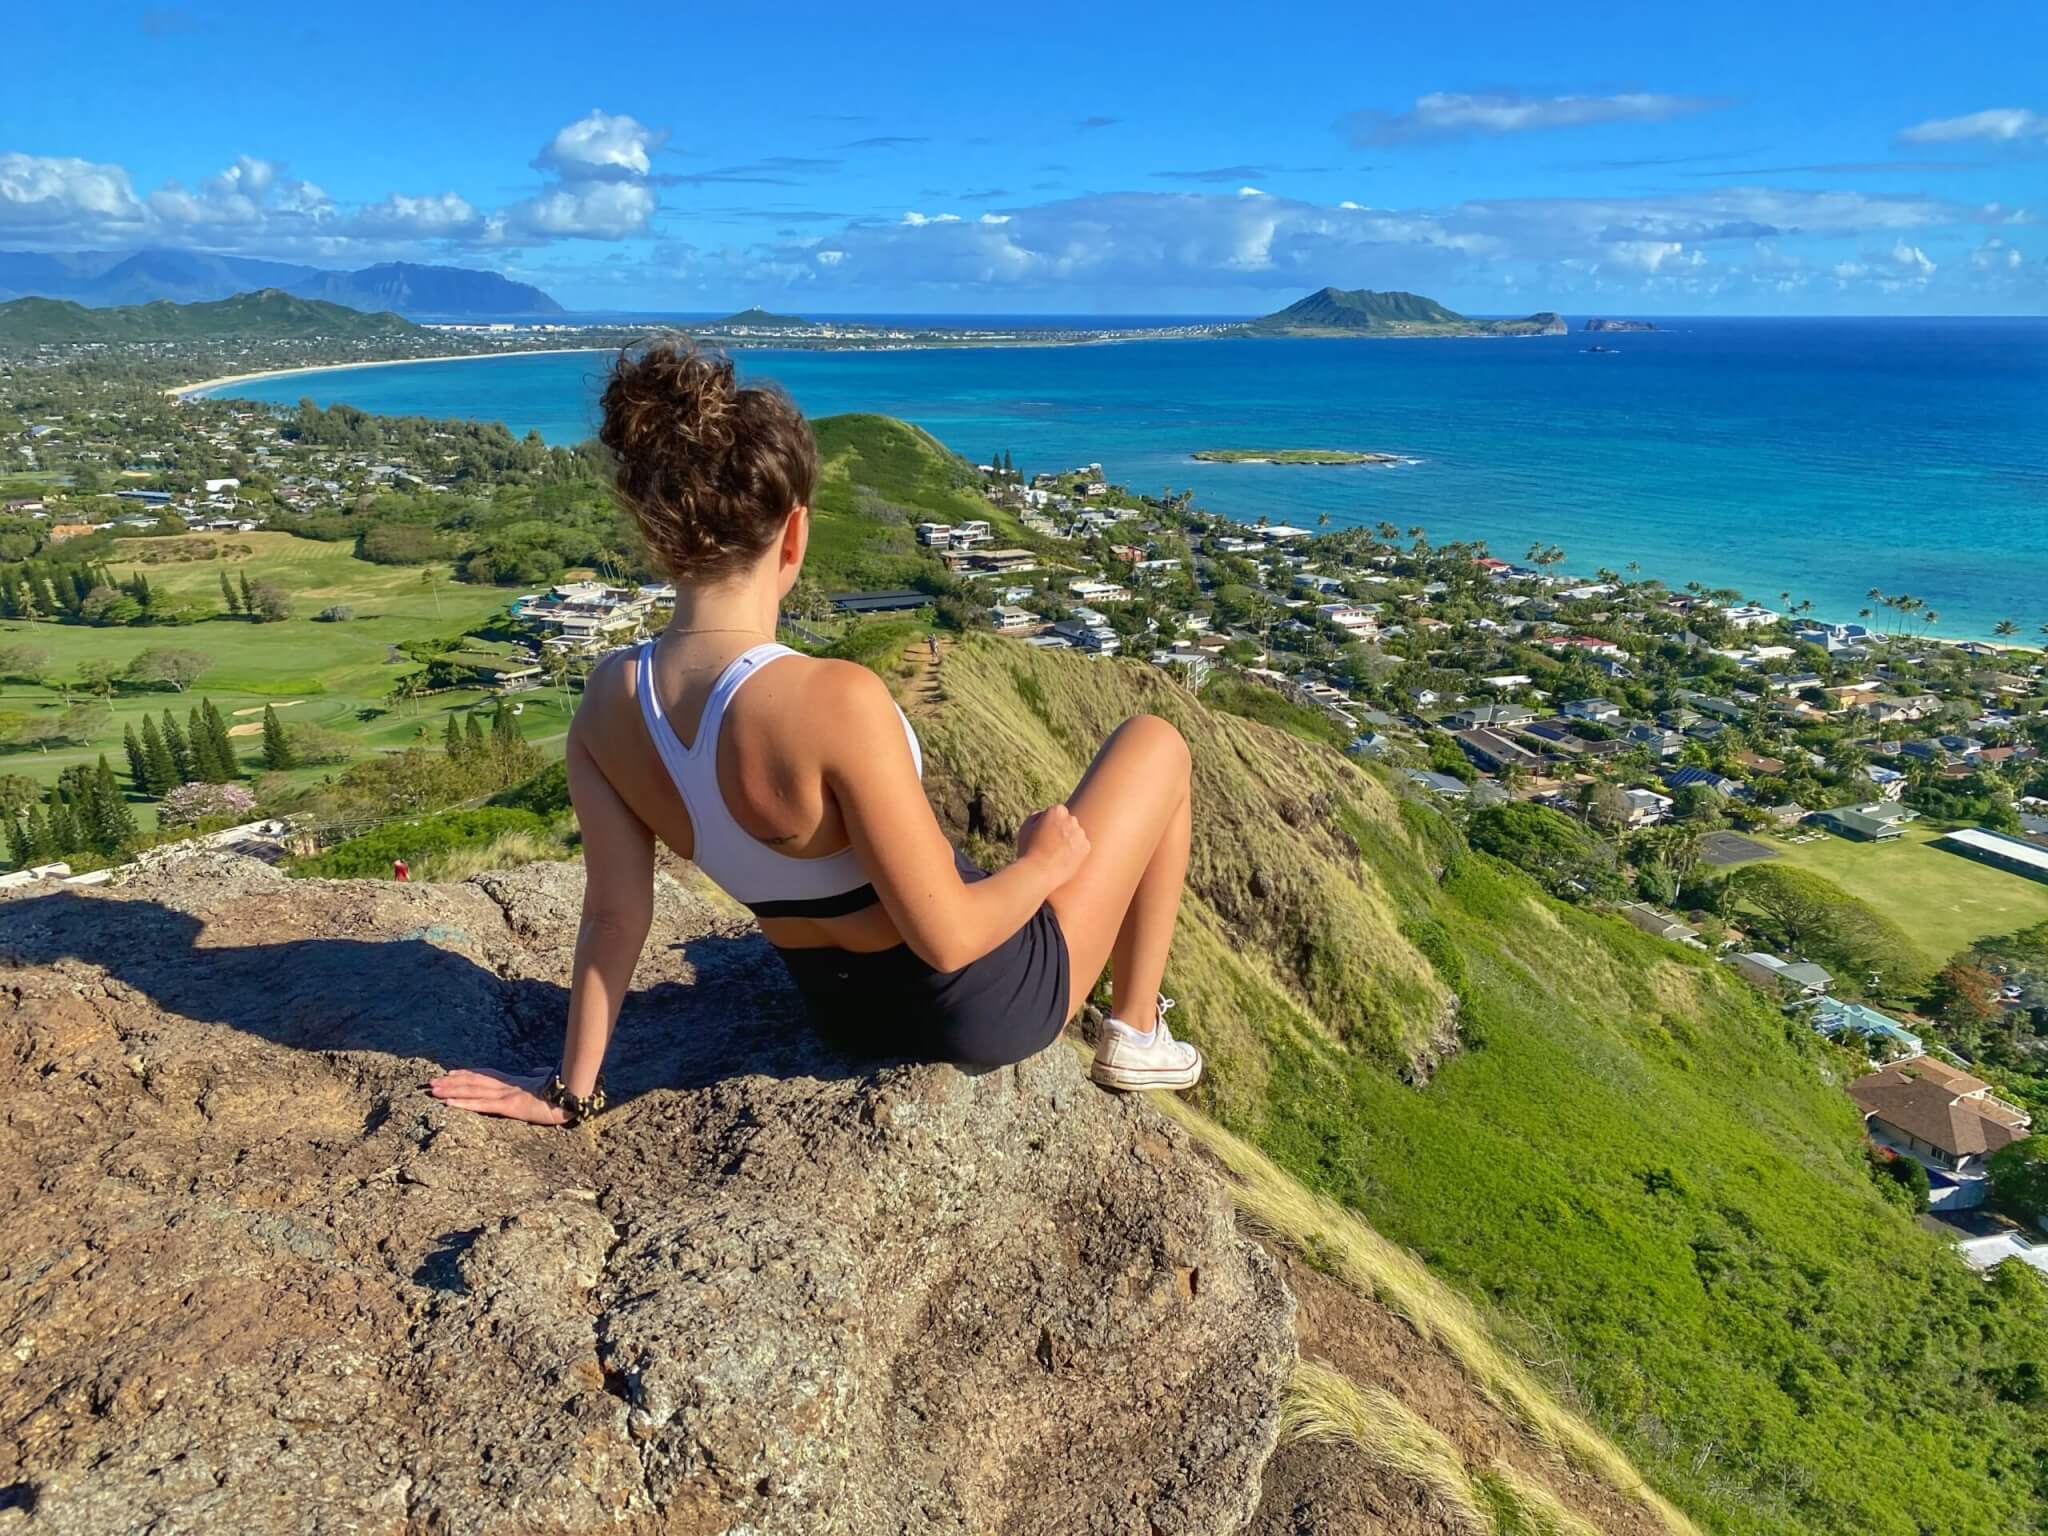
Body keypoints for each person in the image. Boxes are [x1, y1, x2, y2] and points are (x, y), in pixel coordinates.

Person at [430, 345, 1200, 1129]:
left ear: (657, 537)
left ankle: (1136, 1025)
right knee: (1155, 743)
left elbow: (614, 918)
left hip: (846, 1020)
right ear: (793, 535)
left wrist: (572, 1088)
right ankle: (1135, 1029)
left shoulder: (607, 705)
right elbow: (950, 938)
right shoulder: (833, 698)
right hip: (980, 1004)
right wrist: (1045, 864)